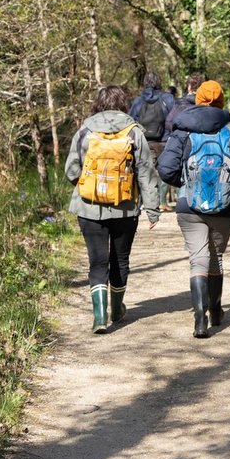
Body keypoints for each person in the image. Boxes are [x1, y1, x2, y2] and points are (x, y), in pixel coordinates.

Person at [158, 79, 230, 338]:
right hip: (225, 205)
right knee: (216, 257)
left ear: (198, 99)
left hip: (189, 206)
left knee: (197, 259)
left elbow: (166, 168)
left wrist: (185, 182)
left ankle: (200, 320)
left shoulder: (182, 129)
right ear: (222, 100)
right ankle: (216, 310)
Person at [65, 84, 160, 333]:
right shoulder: (134, 132)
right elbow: (146, 173)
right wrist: (152, 208)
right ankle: (117, 310)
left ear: (98, 103)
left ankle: (99, 318)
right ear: (123, 104)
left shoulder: (85, 131)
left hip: (89, 208)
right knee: (120, 259)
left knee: (97, 262)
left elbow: (71, 170)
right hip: (125, 208)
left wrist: (88, 186)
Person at [128, 71, 177, 210]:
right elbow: (174, 118)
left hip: (145, 142)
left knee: (144, 172)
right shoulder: (168, 98)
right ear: (159, 81)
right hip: (165, 141)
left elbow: (131, 121)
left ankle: (144, 202)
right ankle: (162, 202)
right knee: (165, 171)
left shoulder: (138, 100)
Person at [160, 71, 204, 211]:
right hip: (200, 144)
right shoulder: (206, 105)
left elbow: (169, 122)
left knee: (178, 169)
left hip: (181, 141)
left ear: (189, 87)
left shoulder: (180, 104)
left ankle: (181, 200)